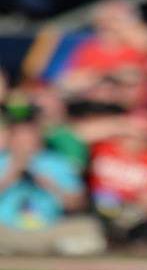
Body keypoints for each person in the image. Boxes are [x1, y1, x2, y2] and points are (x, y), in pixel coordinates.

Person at [0, 103, 105, 255]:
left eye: (30, 136)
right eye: (20, 136)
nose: (25, 142)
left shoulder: (58, 163)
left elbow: (76, 204)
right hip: (7, 230)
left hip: (47, 230)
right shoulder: (2, 161)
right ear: (11, 138)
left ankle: (52, 248)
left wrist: (50, 185)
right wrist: (10, 177)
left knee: (89, 227)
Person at [88, 113, 147, 243]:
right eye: (131, 134)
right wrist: (117, 126)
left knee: (129, 214)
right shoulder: (104, 147)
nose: (134, 140)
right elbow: (74, 134)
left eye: (142, 135)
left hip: (129, 210)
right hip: (94, 203)